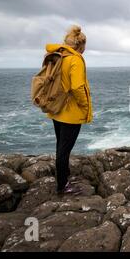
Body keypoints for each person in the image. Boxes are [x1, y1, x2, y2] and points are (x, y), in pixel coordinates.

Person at [45, 25, 93, 194]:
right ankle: (63, 186)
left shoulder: (59, 56)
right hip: (70, 113)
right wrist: (85, 106)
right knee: (64, 150)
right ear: (81, 45)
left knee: (60, 146)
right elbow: (77, 87)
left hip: (57, 109)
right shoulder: (76, 59)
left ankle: (63, 179)